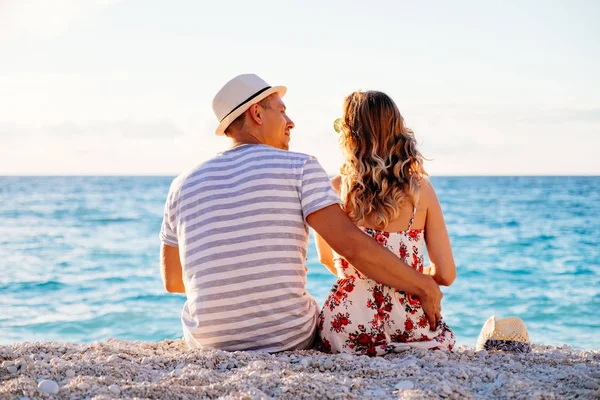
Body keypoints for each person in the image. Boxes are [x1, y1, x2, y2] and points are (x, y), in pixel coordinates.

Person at [159, 74, 443, 352]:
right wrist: (424, 286)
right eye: (282, 111)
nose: (290, 122)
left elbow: (173, 281)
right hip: (286, 336)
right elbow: (352, 246)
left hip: (207, 340)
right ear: (257, 113)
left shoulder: (181, 184)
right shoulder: (300, 167)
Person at [316, 90, 457, 355]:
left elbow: (326, 259)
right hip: (408, 324)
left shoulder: (332, 190)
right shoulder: (421, 191)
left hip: (347, 325)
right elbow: (446, 274)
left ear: (348, 134)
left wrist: (367, 280)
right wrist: (407, 275)